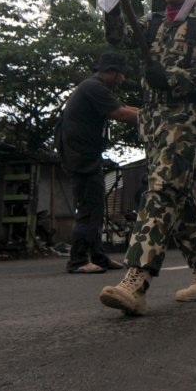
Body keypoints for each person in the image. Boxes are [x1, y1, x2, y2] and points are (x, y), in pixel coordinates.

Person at [99, 0, 196, 316]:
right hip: (154, 124)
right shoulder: (151, 23)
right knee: (180, 197)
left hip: (184, 121)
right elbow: (116, 36)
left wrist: (172, 79)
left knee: (158, 192)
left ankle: (136, 280)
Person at [56, 52, 138, 274]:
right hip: (80, 158)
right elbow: (120, 114)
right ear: (111, 72)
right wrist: (156, 119)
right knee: (88, 208)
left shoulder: (94, 87)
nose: (122, 80)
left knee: (95, 207)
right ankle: (78, 261)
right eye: (120, 75)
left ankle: (99, 257)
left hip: (86, 156)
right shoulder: (94, 87)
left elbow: (124, 107)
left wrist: (148, 112)